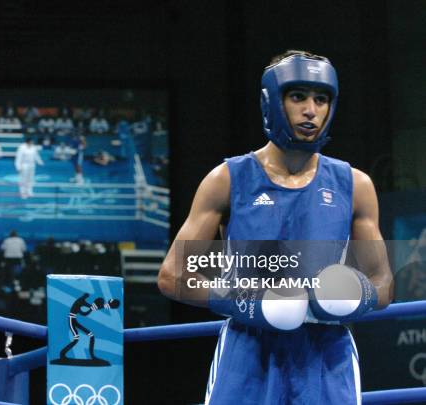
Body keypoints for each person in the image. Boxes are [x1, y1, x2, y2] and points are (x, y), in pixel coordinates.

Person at [157, 50, 394, 404]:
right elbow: (172, 276)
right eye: (298, 96)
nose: (311, 110)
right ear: (272, 100)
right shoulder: (227, 180)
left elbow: (384, 284)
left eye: (321, 98)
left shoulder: (354, 185)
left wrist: (356, 294)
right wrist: (247, 303)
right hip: (247, 353)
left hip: (327, 356)